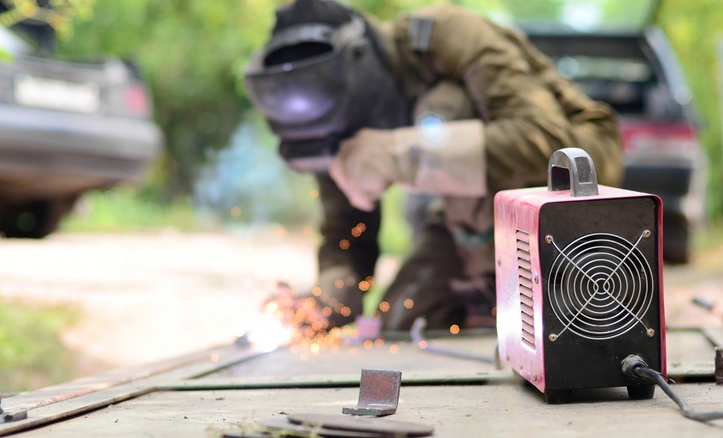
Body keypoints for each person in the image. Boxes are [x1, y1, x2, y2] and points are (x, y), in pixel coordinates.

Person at [244, 0, 623, 333]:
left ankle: (536, 285)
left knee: (446, 108)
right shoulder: (327, 123)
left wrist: (400, 155)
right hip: (466, 215)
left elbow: (544, 143)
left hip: (580, 171)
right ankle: (488, 291)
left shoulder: (444, 34)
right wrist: (329, 295)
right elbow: (347, 229)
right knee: (399, 325)